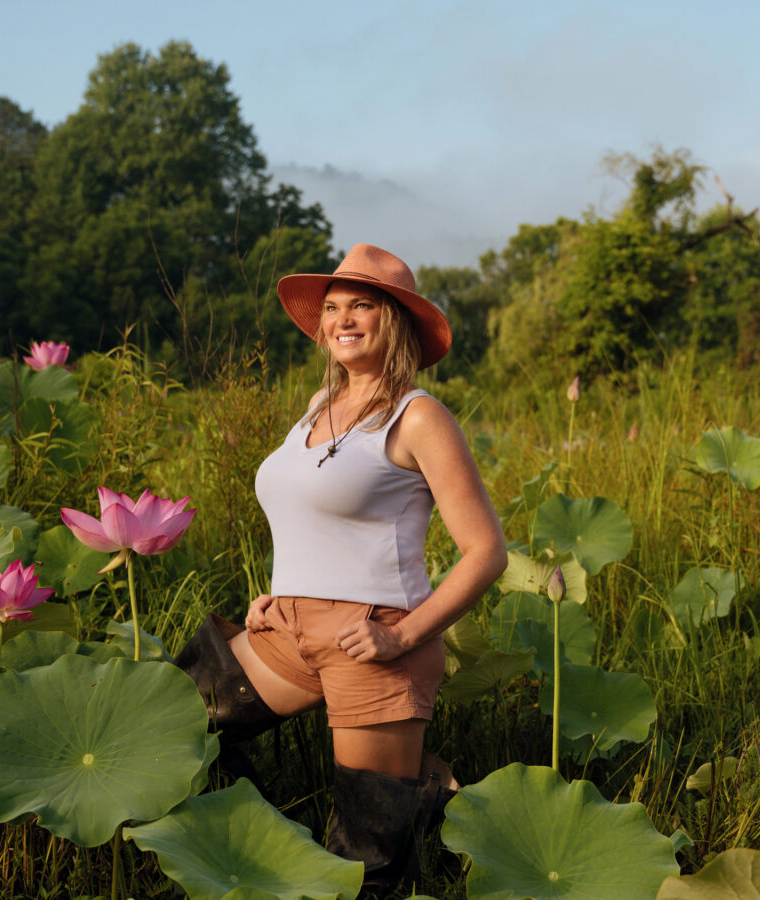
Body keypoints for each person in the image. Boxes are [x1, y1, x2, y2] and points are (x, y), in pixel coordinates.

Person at [175, 243, 507, 895]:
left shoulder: (419, 416)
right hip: (287, 630)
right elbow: (310, 513)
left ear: (397, 324)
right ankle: (420, 788)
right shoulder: (316, 407)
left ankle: (414, 793)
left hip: (374, 643)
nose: (342, 319)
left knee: (368, 860)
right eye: (332, 308)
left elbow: (485, 552)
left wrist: (404, 637)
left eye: (363, 305)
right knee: (174, 716)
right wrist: (278, 592)